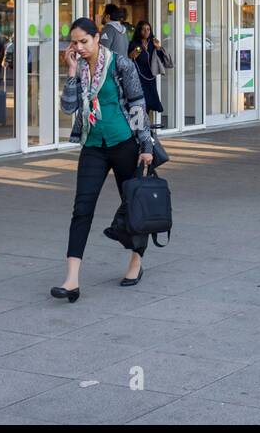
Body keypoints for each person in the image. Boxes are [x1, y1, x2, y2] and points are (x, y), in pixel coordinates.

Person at [54, 17, 155, 302]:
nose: (79, 47)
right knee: (81, 209)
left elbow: (137, 105)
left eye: (84, 41)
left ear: (98, 38)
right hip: (93, 144)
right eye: (75, 42)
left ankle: (136, 262)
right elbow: (68, 107)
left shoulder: (121, 64)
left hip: (124, 143)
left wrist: (145, 144)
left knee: (133, 205)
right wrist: (72, 72)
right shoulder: (80, 68)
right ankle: (71, 280)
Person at [127, 19, 172, 127]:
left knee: (150, 101)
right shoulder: (134, 43)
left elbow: (161, 58)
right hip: (138, 77)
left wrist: (158, 48)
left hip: (150, 77)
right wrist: (133, 54)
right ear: (139, 31)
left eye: (148, 29)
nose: (146, 32)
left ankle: (145, 124)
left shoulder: (152, 43)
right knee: (140, 101)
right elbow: (129, 58)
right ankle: (139, 125)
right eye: (143, 29)